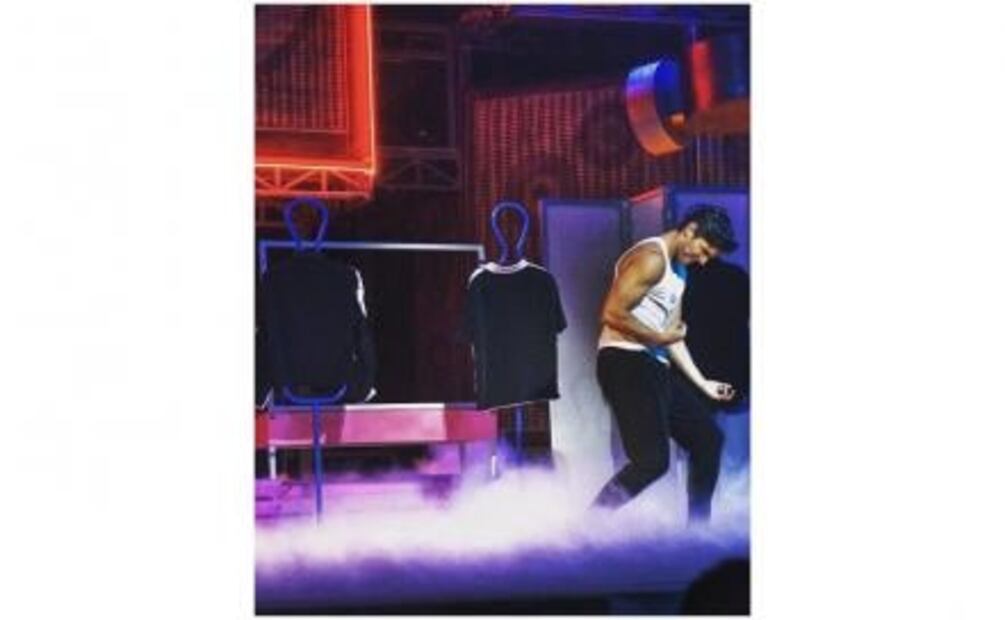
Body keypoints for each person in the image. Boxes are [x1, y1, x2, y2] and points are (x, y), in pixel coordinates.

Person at [592, 205, 738, 522]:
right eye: (703, 250)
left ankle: (697, 531)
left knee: (708, 440)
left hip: (652, 364)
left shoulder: (679, 271)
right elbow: (612, 313)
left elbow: (672, 335)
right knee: (651, 462)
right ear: (690, 230)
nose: (703, 260)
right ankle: (590, 523)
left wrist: (704, 384)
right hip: (623, 360)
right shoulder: (651, 258)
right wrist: (656, 337)